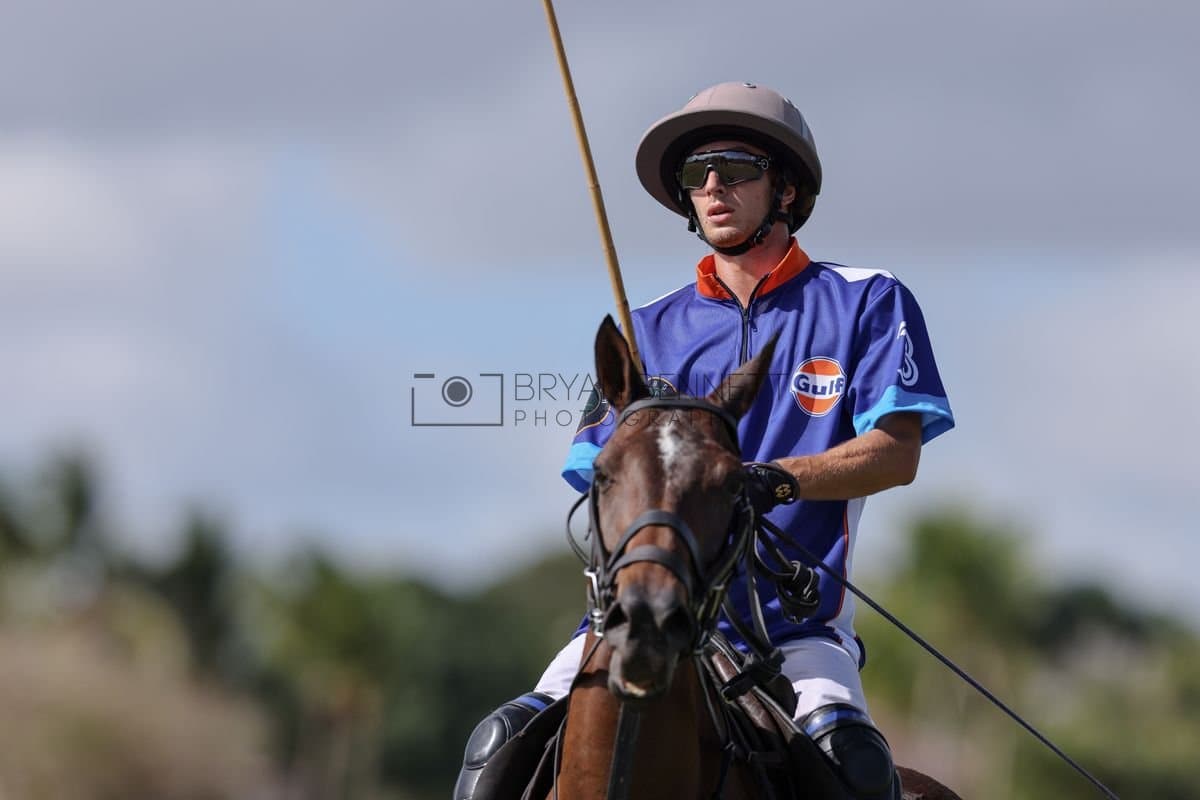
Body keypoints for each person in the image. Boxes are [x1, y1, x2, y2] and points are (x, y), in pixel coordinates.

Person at [455, 81, 954, 800]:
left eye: (736, 168)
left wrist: (776, 478)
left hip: (793, 630)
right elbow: (600, 479)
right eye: (697, 174)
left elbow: (897, 450)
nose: (714, 186)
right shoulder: (646, 327)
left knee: (859, 770)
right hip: (642, 612)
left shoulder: (866, 299)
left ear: (785, 188)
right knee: (493, 753)